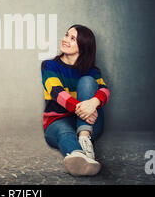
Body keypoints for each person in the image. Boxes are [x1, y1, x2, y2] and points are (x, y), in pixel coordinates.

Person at [41, 24, 110, 176]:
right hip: (57, 121)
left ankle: (84, 138)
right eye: (66, 35)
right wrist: (83, 110)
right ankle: (78, 157)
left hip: (90, 124)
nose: (65, 40)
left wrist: (93, 103)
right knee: (65, 132)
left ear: (83, 46)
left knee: (87, 81)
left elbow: (104, 90)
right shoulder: (49, 65)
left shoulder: (93, 71)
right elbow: (56, 92)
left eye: (72, 38)